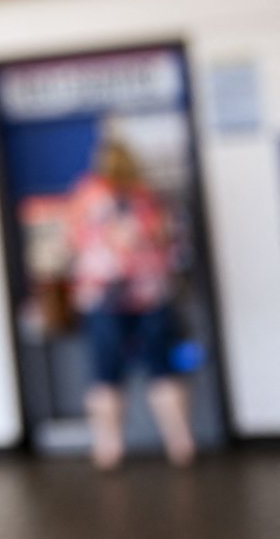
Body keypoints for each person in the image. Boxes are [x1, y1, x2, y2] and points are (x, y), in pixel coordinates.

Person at [66, 139, 195, 470]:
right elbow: (174, 244)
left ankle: (109, 449)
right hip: (151, 294)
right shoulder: (149, 197)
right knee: (162, 369)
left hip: (103, 296)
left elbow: (72, 242)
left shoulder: (86, 197)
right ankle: (181, 444)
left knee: (106, 375)